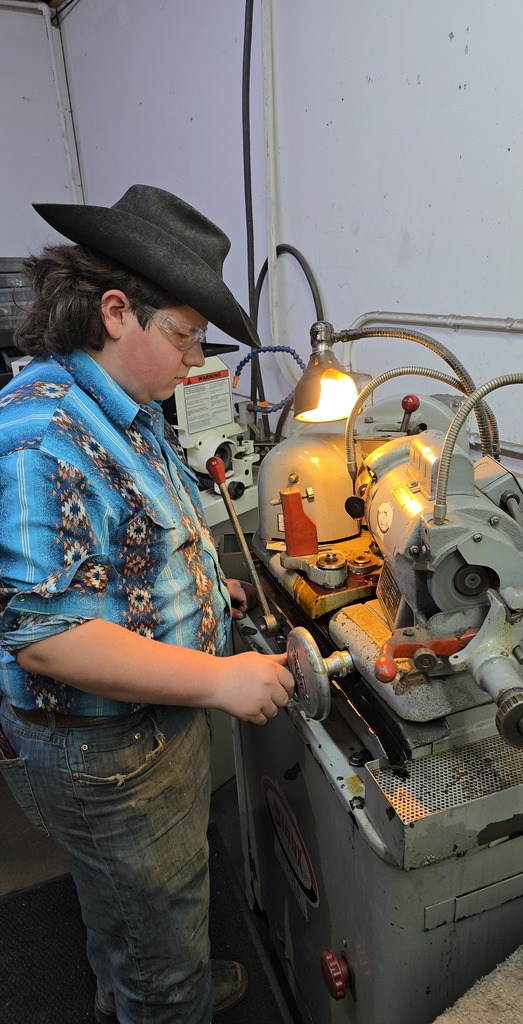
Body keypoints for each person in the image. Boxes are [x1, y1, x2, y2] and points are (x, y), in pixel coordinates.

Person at [0, 184, 295, 1024]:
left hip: (137, 729)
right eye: (184, 337)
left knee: (125, 897)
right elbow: (48, 639)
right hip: (107, 750)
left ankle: (131, 983)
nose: (195, 364)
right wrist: (220, 682)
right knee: (161, 914)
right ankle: (166, 998)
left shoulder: (122, 409)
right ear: (117, 311)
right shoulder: (40, 435)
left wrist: (210, 584)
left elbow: (127, 542)